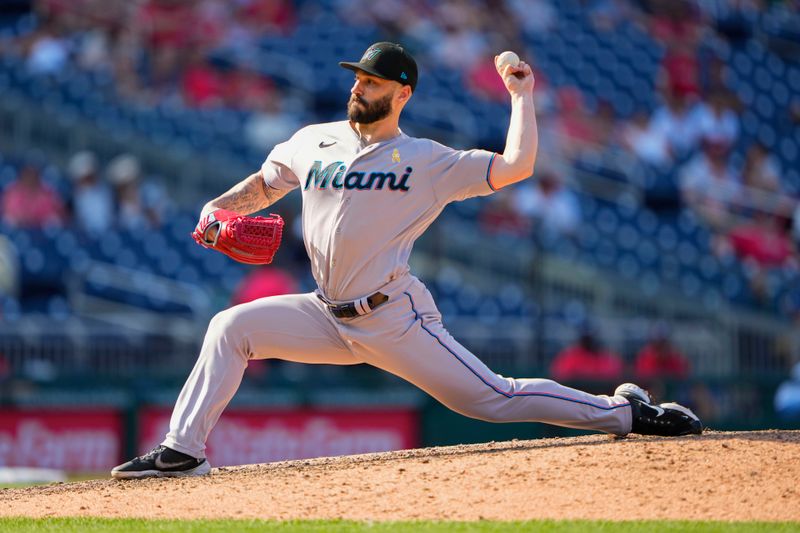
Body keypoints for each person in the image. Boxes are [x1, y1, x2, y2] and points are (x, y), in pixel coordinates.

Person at [112, 42, 702, 479]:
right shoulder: (313, 138)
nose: (357, 88)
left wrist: (521, 96)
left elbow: (517, 165)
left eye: (371, 82)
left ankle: (625, 413)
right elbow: (267, 185)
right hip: (325, 312)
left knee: (493, 399)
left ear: (402, 94)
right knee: (230, 327)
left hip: (393, 316)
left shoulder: (427, 160)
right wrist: (218, 205)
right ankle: (183, 450)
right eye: (356, 79)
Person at [550, 325, 624, 384]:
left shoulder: (605, 355)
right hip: (576, 393)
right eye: (586, 339)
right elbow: (561, 375)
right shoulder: (571, 355)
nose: (589, 342)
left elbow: (614, 374)